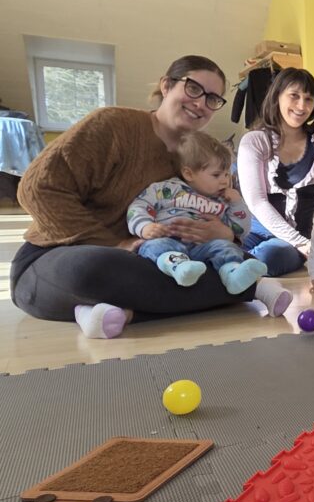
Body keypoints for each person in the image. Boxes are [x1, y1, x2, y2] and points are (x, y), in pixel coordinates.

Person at [12, 55, 291, 338]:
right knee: (92, 268)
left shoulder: (197, 155)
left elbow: (222, 213)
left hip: (153, 257)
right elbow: (36, 189)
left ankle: (118, 312)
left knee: (225, 259)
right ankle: (251, 289)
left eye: (212, 99)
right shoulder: (113, 125)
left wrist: (225, 234)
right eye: (194, 88)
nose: (201, 104)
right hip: (61, 255)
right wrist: (116, 244)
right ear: (166, 85)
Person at [127, 132, 287, 314]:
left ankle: (232, 274)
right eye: (216, 174)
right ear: (189, 173)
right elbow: (139, 205)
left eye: (227, 174)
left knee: (226, 247)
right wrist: (145, 226)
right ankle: (179, 267)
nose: (224, 180)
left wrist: (236, 203)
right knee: (154, 246)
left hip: (203, 248)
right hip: (168, 240)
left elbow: (241, 230)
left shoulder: (222, 200)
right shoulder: (166, 189)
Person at [237, 68, 314, 276]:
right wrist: (302, 243)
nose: (302, 106)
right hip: (254, 233)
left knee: (273, 256)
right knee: (216, 244)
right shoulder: (254, 141)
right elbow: (256, 202)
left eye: (309, 99)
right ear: (277, 96)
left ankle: (230, 265)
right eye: (294, 96)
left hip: (290, 244)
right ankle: (230, 262)